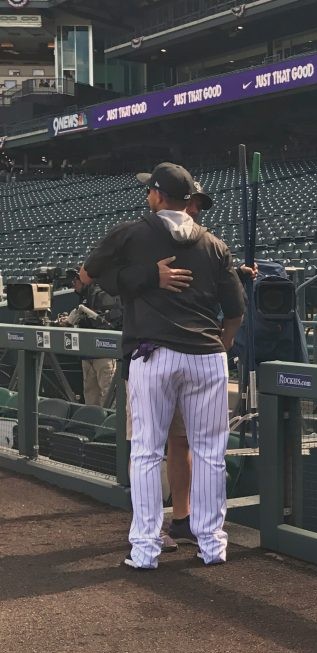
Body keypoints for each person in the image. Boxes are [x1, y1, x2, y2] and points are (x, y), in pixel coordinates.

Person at [79, 162, 245, 570]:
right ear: (189, 201)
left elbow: (86, 276)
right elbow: (236, 310)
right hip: (208, 358)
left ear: (156, 195)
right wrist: (218, 347)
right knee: (210, 454)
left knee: (147, 452)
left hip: (156, 354)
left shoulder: (133, 231)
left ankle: (146, 550)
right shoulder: (214, 243)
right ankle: (212, 546)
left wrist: (140, 277)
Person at [97, 181, 218, 552]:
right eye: (192, 202)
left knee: (182, 444)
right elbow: (96, 278)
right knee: (149, 448)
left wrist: (241, 274)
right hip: (155, 352)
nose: (194, 210)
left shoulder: (206, 244)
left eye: (197, 204)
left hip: (190, 357)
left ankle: (181, 522)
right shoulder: (137, 237)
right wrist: (151, 276)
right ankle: (149, 533)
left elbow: (227, 294)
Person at [60, 271, 122, 406]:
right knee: (90, 395)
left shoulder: (102, 293)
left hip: (103, 353)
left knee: (108, 395)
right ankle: (92, 425)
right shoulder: (84, 296)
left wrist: (85, 317)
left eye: (74, 281)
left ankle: (110, 425)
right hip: (87, 355)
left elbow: (111, 322)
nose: (73, 285)